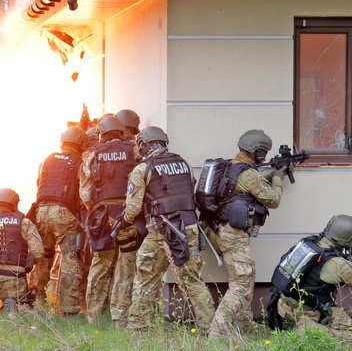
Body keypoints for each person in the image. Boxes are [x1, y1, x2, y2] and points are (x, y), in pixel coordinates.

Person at [119, 126, 215, 331]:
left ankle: (138, 328)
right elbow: (191, 190)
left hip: (160, 231)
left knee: (145, 277)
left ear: (143, 144)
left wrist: (125, 221)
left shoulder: (142, 169)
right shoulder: (183, 163)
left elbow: (133, 208)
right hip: (188, 226)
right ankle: (211, 328)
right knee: (192, 279)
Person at [206, 129, 285, 338]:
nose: (265, 157)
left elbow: (245, 188)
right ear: (257, 152)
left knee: (244, 278)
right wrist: (278, 177)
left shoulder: (230, 167)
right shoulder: (248, 174)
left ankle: (244, 324)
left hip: (219, 230)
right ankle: (217, 332)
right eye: (263, 152)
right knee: (241, 283)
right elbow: (273, 199)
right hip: (234, 235)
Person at [80, 116, 140, 327]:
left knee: (100, 266)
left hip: (103, 217)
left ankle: (94, 317)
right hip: (127, 217)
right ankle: (120, 318)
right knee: (126, 267)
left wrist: (99, 208)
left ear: (101, 133)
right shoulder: (133, 151)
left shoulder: (91, 157)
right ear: (121, 132)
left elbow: (85, 194)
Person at [267, 215, 352, 340]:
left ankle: (299, 323)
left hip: (282, 304)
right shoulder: (338, 263)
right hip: (307, 312)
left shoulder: (309, 243)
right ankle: (309, 328)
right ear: (349, 239)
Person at [28, 127, 87, 316]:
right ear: (81, 143)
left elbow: (40, 184)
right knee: (70, 260)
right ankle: (69, 310)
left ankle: (35, 298)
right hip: (64, 215)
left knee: (42, 257)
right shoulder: (80, 163)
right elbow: (84, 193)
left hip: (41, 212)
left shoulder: (47, 160)